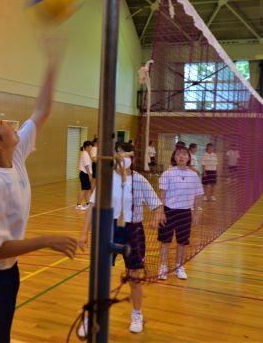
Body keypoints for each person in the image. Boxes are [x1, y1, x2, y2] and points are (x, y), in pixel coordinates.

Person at [0, 39, 77, 343]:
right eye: (0, 122)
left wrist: (53, 63)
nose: (8, 122)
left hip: (7, 275)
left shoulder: (16, 156)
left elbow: (42, 110)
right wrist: (46, 240)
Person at [79, 143, 164, 334]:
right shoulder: (107, 179)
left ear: (132, 158)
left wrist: (157, 217)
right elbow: (92, 207)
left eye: (126, 155)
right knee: (100, 277)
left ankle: (137, 314)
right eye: (118, 154)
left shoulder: (139, 180)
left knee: (134, 278)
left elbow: (157, 205)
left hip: (133, 231)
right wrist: (84, 233)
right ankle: (91, 315)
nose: (122, 158)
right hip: (109, 229)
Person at [157, 146, 204, 280]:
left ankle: (179, 267)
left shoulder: (194, 175)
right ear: (174, 157)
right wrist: (161, 212)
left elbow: (198, 195)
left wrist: (196, 213)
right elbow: (162, 195)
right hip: (169, 211)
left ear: (189, 158)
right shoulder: (167, 173)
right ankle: (163, 267)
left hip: (185, 213)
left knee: (182, 242)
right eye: (178, 154)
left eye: (184, 154)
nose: (181, 156)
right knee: (165, 241)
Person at [76, 141, 94, 210]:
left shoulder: (87, 153)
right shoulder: (85, 154)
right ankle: (78, 205)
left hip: (86, 174)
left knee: (88, 190)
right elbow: (86, 166)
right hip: (85, 174)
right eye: (90, 147)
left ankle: (87, 204)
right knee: (83, 189)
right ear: (86, 147)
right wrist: (89, 175)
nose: (91, 148)